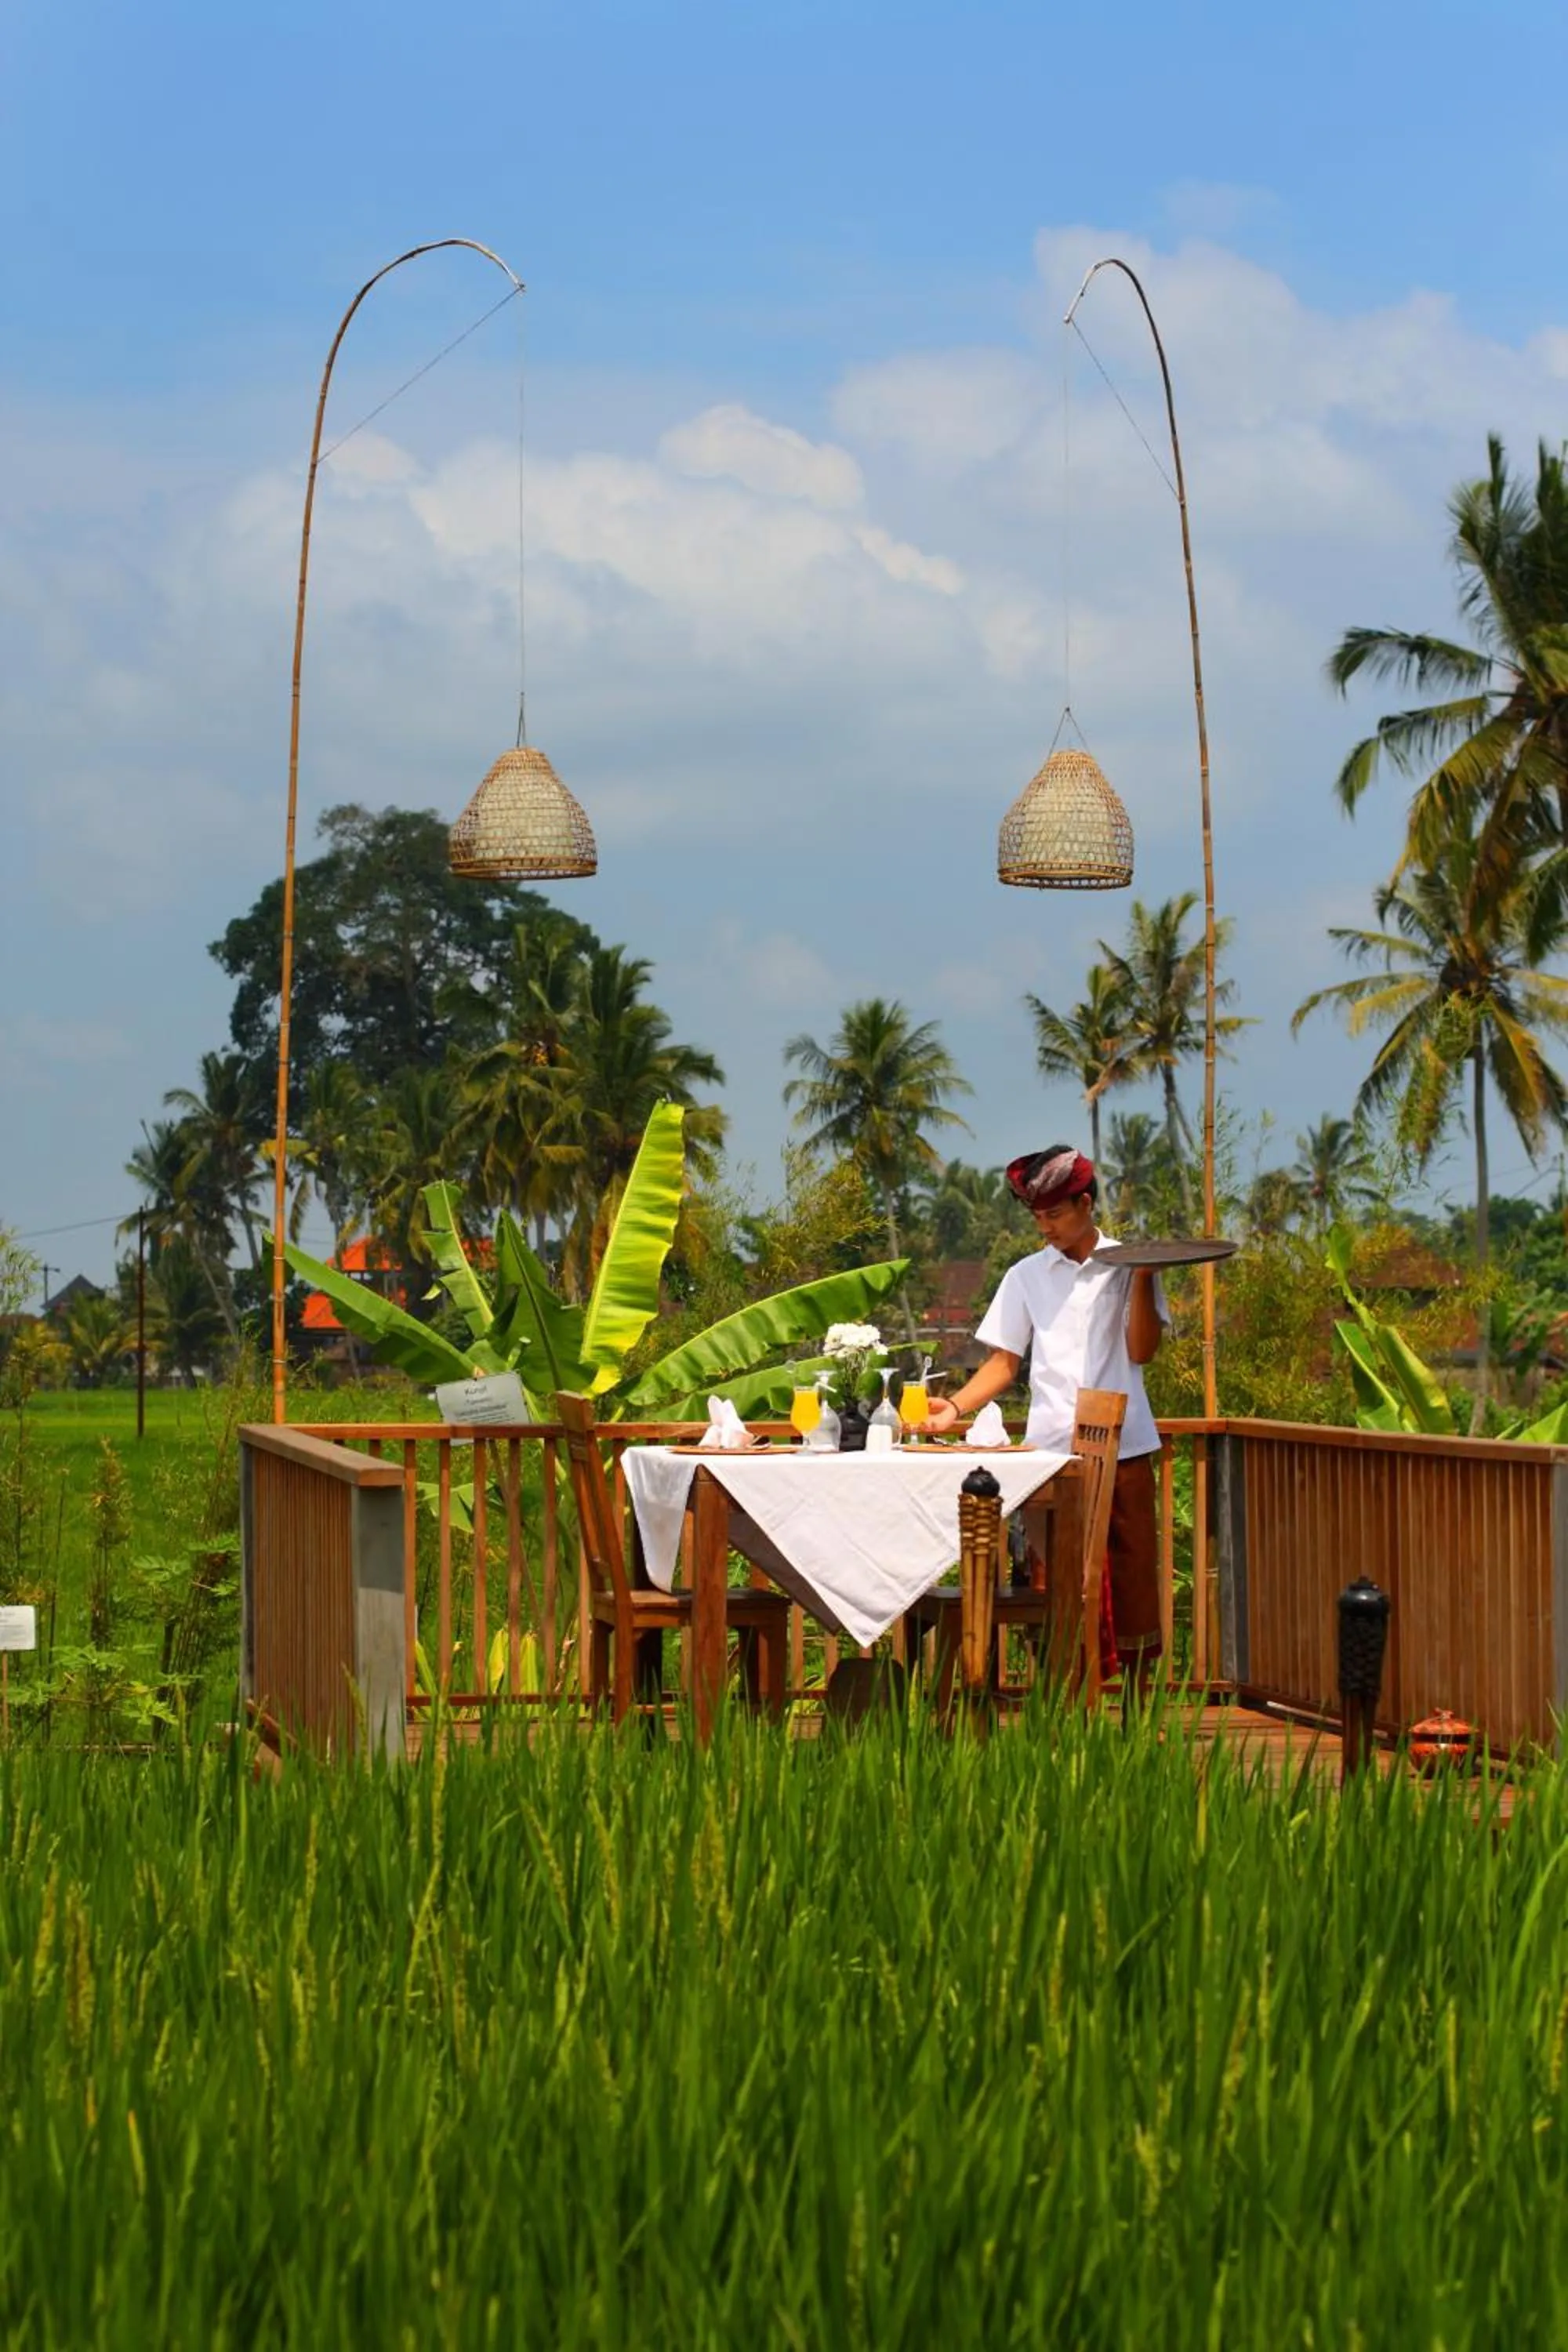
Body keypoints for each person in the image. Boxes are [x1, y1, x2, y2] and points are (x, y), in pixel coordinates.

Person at [921, 1144, 1167, 1687]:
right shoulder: (1027, 1275)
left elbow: (1142, 1350)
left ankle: (1138, 1708)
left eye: (1055, 1214)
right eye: (1037, 1216)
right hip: (1053, 1453)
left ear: (1085, 1204)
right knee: (1051, 1581)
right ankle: (1061, 1703)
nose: (1046, 1227)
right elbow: (1004, 1362)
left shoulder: (1130, 1263)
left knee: (1132, 1582)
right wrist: (955, 1408)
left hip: (1125, 1445)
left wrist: (1146, 1279)